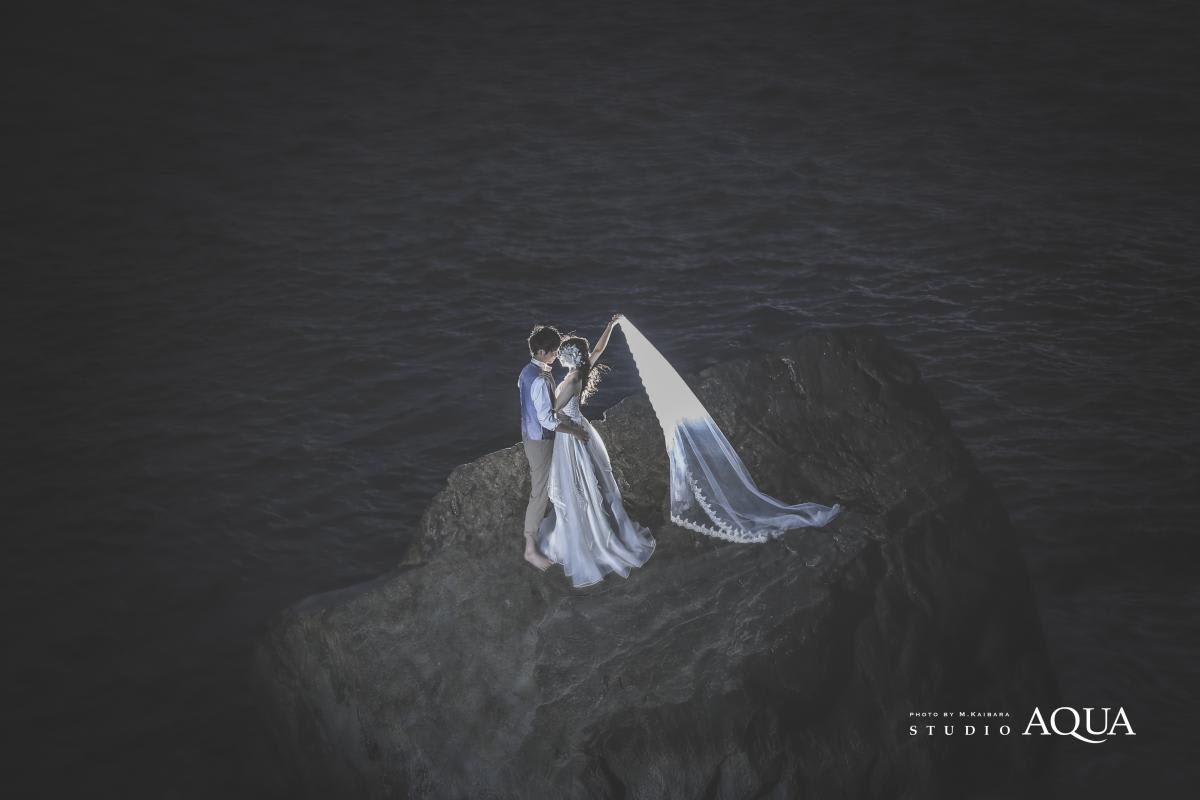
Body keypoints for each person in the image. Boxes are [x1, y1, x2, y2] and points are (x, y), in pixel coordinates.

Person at [533, 314, 657, 587]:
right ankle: (591, 528)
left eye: (562, 353)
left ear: (571, 357)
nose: (558, 355)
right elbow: (598, 349)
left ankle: (587, 536)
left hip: (571, 435)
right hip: (581, 427)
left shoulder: (572, 380)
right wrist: (610, 326)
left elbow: (552, 411)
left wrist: (541, 384)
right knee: (588, 483)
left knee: (577, 485)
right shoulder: (581, 370)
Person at [518, 324, 591, 571]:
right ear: (541, 352)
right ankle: (530, 549)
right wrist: (575, 431)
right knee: (539, 491)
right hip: (540, 439)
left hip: (530, 433)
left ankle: (550, 532)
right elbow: (547, 420)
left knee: (550, 485)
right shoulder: (540, 379)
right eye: (553, 351)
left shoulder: (527, 372)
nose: (556, 355)